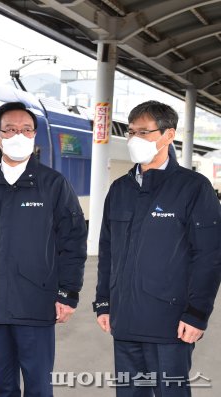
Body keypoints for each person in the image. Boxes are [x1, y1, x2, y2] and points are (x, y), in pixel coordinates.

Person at [0, 101, 87, 396]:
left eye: (26, 130)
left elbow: (73, 241)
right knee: (1, 385)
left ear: (35, 135)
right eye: (10, 130)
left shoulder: (53, 184)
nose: (18, 135)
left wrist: (68, 293)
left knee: (38, 384)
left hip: (37, 303)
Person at [94, 100, 221, 397]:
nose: (135, 139)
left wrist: (196, 313)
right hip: (124, 320)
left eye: (144, 132)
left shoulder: (193, 188)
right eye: (131, 132)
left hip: (170, 323)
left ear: (168, 135)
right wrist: (103, 301)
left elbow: (209, 256)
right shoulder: (120, 189)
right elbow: (107, 251)